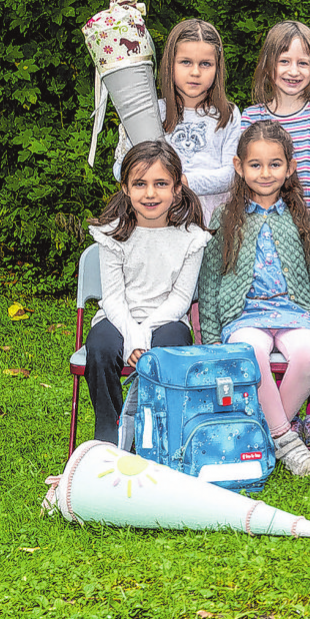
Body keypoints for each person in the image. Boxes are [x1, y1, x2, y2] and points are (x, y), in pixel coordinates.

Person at [197, 121, 310, 477]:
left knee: (309, 353)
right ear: (239, 167)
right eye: (256, 164)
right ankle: (286, 440)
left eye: (275, 164)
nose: (265, 173)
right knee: (251, 353)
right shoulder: (225, 217)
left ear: (290, 167)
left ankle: (262, 436)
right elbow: (210, 280)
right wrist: (212, 336)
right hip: (244, 313)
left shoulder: (300, 216)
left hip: (295, 311)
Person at [241, 20, 310, 446]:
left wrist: (306, 236)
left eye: (303, 62)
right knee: (270, 332)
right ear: (269, 64)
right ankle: (282, 422)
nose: (294, 70)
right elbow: (248, 179)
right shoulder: (252, 117)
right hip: (264, 240)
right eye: (285, 60)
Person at [85, 141, 210, 443]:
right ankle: (110, 435)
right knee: (100, 346)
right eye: (140, 184)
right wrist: (132, 334)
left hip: (167, 320)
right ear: (125, 188)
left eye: (161, 184)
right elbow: (113, 298)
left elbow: (180, 300)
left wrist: (143, 333)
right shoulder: (112, 233)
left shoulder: (192, 238)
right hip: (118, 317)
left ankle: (157, 436)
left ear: (177, 188)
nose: (150, 193)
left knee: (173, 345)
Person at [113, 18, 241, 220]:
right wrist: (154, 181)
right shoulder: (152, 112)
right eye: (186, 62)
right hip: (159, 219)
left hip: (211, 222)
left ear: (218, 68)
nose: (195, 72)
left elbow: (232, 174)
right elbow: (121, 168)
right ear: (170, 64)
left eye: (205, 64)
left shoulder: (227, 114)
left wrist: (184, 182)